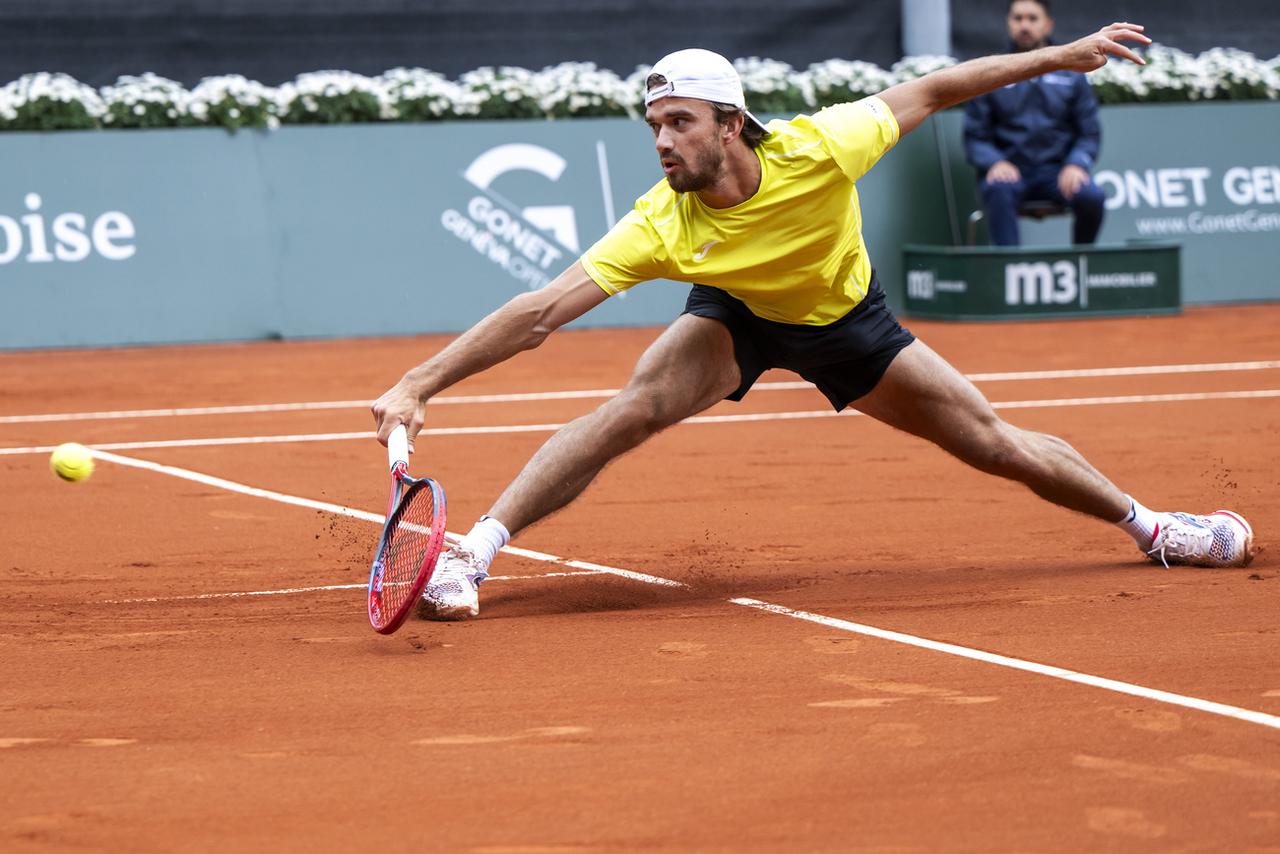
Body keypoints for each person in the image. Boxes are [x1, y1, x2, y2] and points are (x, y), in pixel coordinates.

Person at [373, 24, 1254, 621]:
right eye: (653, 126)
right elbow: (537, 315)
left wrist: (1059, 55)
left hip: (844, 323)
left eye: (679, 122)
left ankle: (1155, 528)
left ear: (731, 124)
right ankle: (470, 554)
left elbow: (937, 86)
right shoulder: (662, 221)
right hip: (738, 316)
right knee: (632, 408)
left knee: (991, 441)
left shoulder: (824, 146)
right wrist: (419, 383)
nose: (662, 142)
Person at [964, 0, 1108, 246]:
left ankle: (1080, 265)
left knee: (1092, 196)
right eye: (1018, 18)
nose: (1024, 25)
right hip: (1011, 173)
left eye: (1032, 18)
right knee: (998, 188)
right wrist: (994, 162)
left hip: (1057, 173)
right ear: (1009, 23)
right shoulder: (991, 71)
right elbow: (976, 137)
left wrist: (1076, 164)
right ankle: (1010, 272)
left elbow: (1089, 133)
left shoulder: (1072, 73)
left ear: (1048, 24)